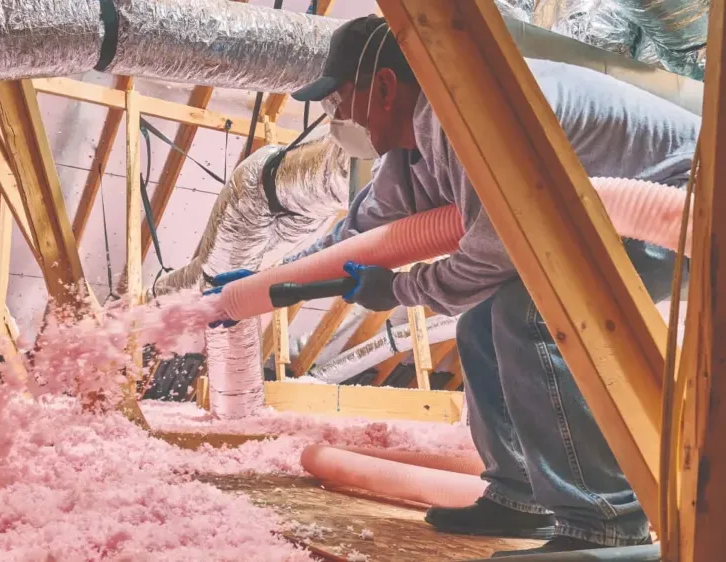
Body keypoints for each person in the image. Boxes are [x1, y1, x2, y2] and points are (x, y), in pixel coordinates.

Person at [215, 14, 698, 558]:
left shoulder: (473, 117)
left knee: (530, 312)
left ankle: (606, 520)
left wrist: (396, 291)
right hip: (596, 218)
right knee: (481, 322)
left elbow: (489, 255)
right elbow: (356, 237)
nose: (339, 117)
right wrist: (262, 284)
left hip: (681, 206)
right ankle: (521, 495)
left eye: (339, 101)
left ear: (385, 87)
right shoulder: (409, 153)